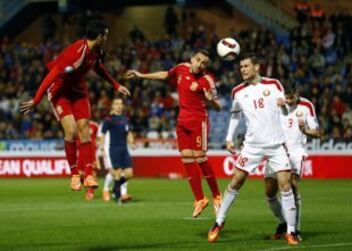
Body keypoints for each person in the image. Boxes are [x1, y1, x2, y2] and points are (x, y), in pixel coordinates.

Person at [20, 20, 131, 192]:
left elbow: (99, 68)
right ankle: (74, 174)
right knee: (71, 131)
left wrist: (116, 85)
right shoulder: (76, 53)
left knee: (84, 129)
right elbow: (53, 74)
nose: (107, 38)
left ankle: (88, 174)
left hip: (78, 91)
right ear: (100, 36)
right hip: (60, 92)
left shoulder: (97, 51)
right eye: (106, 35)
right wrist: (36, 100)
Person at [207, 53, 298, 245]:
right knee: (236, 181)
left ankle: (291, 231)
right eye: (241, 67)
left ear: (257, 67)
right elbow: (234, 116)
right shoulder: (238, 91)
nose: (243, 70)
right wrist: (228, 137)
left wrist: (283, 106)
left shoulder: (274, 85)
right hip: (252, 146)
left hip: (275, 145)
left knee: (285, 185)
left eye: (246, 66)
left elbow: (286, 111)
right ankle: (218, 222)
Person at [126, 49, 222, 218]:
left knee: (200, 157)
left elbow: (218, 107)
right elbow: (164, 75)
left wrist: (209, 99)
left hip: (198, 121)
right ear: (192, 59)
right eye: (198, 60)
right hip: (182, 121)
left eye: (204, 63)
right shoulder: (181, 68)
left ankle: (216, 195)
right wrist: (141, 75)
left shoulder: (208, 80)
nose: (200, 64)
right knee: (186, 158)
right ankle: (199, 199)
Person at [265, 83, 320, 241]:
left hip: (296, 152)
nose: (288, 101)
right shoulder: (277, 103)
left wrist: (305, 130)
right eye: (286, 97)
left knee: (293, 187)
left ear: (297, 94)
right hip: (277, 150)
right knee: (269, 192)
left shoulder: (306, 105)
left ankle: (295, 229)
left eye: (291, 97)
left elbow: (316, 132)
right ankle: (283, 222)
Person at [99, 98, 135, 204]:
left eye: (121, 104)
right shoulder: (109, 119)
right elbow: (103, 134)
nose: (119, 106)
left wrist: (131, 143)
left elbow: (129, 133)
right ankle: (118, 198)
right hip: (114, 149)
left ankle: (116, 188)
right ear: (113, 106)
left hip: (124, 148)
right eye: (117, 104)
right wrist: (101, 147)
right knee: (117, 173)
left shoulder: (126, 119)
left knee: (129, 173)